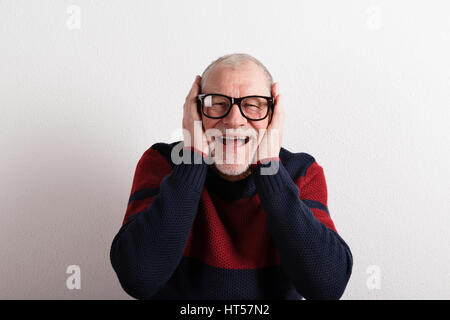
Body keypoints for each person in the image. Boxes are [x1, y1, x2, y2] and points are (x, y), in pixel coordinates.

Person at [110, 53, 353, 300]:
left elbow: (327, 287)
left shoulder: (301, 173)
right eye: (217, 103)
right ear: (195, 110)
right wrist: (193, 160)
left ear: (273, 113)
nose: (234, 120)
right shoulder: (162, 163)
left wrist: (269, 168)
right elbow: (138, 278)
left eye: (253, 104)